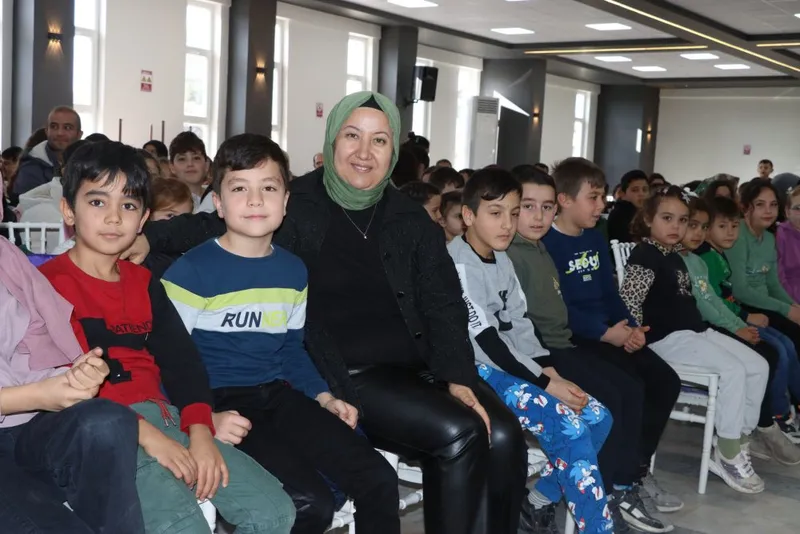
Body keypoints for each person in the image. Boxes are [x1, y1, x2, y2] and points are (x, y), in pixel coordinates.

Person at [120, 91, 530, 534]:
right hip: (345, 371)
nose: (364, 151)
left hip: (415, 368)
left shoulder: (410, 218)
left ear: (394, 151)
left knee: (504, 434)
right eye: (352, 136)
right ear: (333, 140)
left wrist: (457, 376)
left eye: (379, 140)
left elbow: (444, 303)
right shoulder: (299, 203)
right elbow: (223, 223)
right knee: (462, 433)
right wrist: (148, 236)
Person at [40, 141, 295, 533]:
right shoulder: (47, 285)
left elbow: (182, 363)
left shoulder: (143, 282)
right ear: (68, 210)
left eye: (128, 205)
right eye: (97, 202)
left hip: (167, 418)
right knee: (181, 525)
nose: (113, 217)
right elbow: (63, 386)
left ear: (143, 218)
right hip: (100, 432)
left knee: (273, 512)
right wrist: (149, 438)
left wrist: (201, 432)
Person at [162, 133, 400, 534]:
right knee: (309, 503)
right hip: (217, 402)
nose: (255, 200)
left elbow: (291, 348)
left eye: (269, 188)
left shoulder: (292, 270)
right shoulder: (190, 272)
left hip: (275, 394)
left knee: (378, 478)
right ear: (217, 202)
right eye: (240, 188)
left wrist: (324, 396)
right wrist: (202, 420)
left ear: (286, 200)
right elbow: (165, 362)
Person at [450, 168, 614, 534]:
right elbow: (487, 342)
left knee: (598, 417)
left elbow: (521, 324)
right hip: (477, 371)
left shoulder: (500, 256)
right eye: (496, 213)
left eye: (513, 213)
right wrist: (546, 383)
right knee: (571, 429)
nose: (507, 224)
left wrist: (550, 372)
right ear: (468, 215)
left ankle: (537, 502)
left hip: (513, 364)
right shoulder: (459, 264)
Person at [507, 165, 670, 534]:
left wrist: (628, 325)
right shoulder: (519, 252)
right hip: (546, 352)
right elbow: (526, 324)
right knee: (611, 401)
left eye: (545, 207)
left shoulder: (538, 248)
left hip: (561, 345)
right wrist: (593, 338)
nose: (539, 216)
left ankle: (609, 487)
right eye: (527, 207)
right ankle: (601, 496)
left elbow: (580, 304)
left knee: (629, 391)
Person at [620, 186, 771, 493]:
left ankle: (737, 439)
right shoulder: (646, 254)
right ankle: (728, 452)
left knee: (758, 367)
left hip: (696, 333)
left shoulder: (675, 255)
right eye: (667, 218)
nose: (676, 227)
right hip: (667, 339)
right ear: (648, 219)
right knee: (733, 371)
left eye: (682, 220)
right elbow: (630, 300)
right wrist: (632, 337)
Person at [0, 234, 145, 534]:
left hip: (31, 425)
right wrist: (36, 395)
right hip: (27, 407)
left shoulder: (6, 255)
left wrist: (75, 376)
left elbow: (39, 346)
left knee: (107, 420)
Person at [679, 196, 799, 465]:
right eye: (722, 226)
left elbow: (717, 298)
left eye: (734, 226)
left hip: (728, 320)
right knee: (770, 352)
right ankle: (765, 423)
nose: (731, 232)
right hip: (710, 326)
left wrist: (741, 321)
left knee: (777, 349)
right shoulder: (703, 258)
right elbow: (709, 305)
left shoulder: (707, 258)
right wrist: (741, 322)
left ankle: (758, 424)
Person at [14, 106, 83, 195]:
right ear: (46, 131)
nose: (60, 133)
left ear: (79, 134)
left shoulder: (88, 163)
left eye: (67, 127)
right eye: (54, 127)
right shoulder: (31, 167)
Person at [607, 170, 649, 244]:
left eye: (645, 190)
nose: (641, 194)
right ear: (623, 194)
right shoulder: (619, 215)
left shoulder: (647, 212)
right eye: (635, 190)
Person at [169, 131, 209, 207]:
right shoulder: (165, 202)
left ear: (206, 165)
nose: (190, 164)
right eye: (182, 159)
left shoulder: (217, 197)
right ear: (172, 167)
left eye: (196, 158)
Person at [778, 186, 800, 303]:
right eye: (798, 208)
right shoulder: (779, 236)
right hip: (791, 300)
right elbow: (779, 280)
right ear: (787, 212)